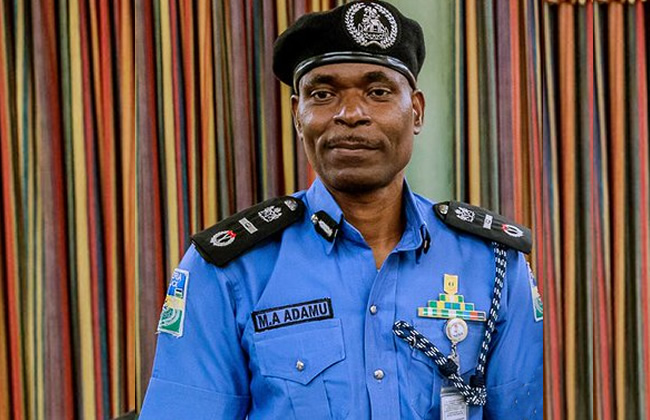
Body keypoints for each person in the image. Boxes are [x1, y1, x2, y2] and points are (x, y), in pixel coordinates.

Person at [139, 1, 543, 419]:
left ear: (417, 111)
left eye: (378, 92)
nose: (350, 114)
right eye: (323, 94)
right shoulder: (230, 271)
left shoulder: (494, 264)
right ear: (298, 116)